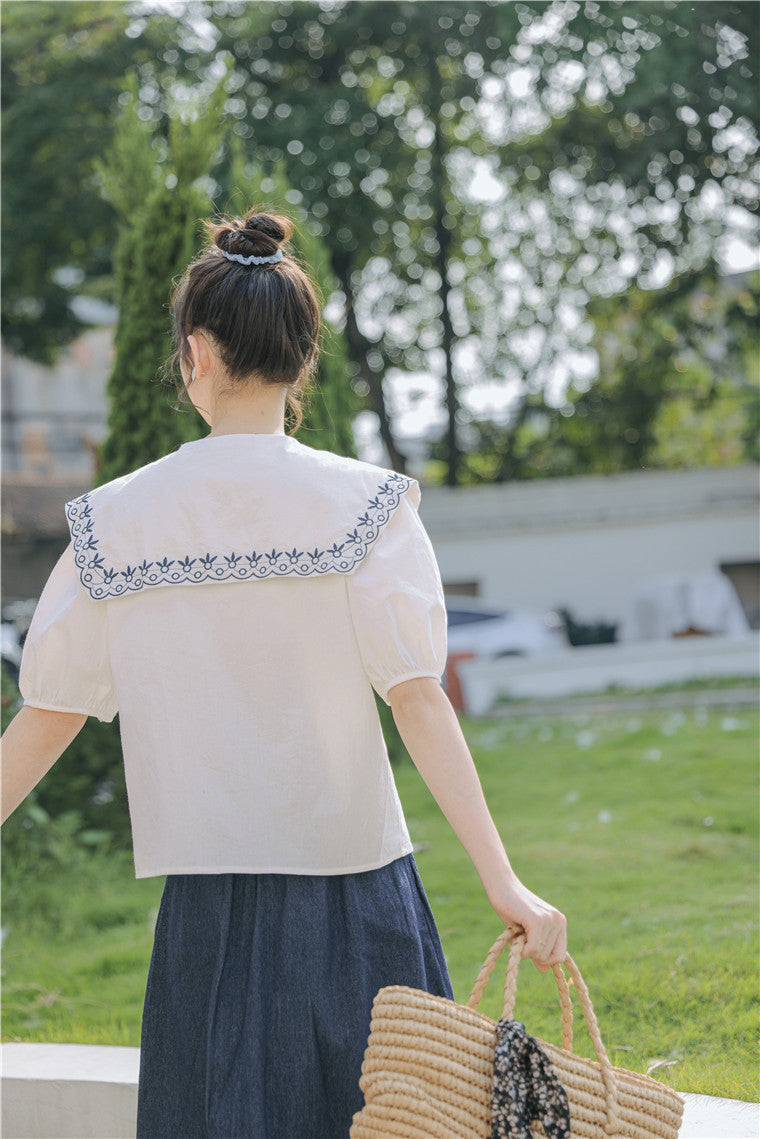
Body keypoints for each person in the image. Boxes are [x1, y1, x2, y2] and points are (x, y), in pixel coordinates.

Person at [1, 208, 566, 1139]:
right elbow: (419, 699)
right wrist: (503, 881)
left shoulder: (114, 525)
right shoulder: (369, 506)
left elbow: (47, 716)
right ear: (306, 360)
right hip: (363, 895)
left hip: (207, 915)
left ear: (194, 355)